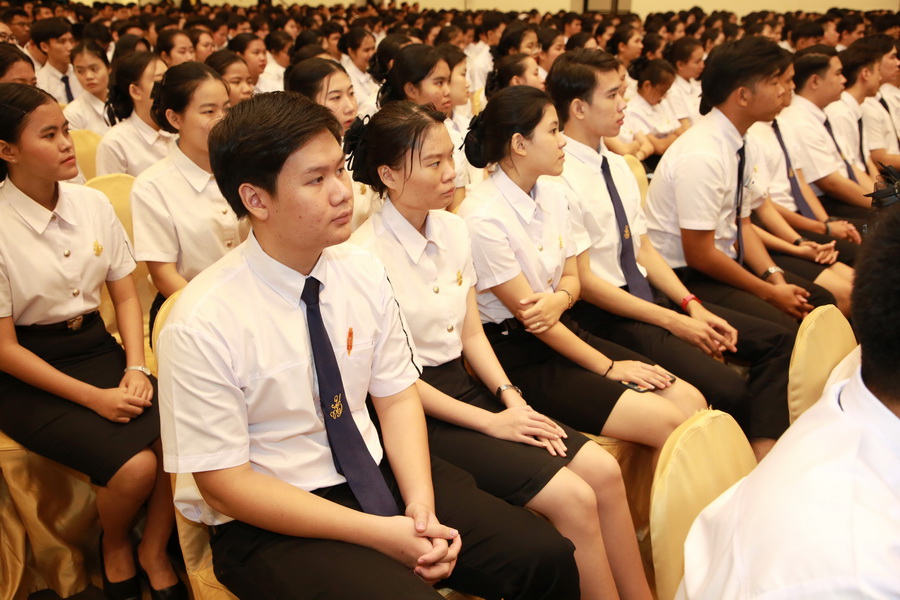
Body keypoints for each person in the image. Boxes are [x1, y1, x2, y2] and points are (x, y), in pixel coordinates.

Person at [157, 91, 580, 600]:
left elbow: (396, 397)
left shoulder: (360, 270)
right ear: (256, 199)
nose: (343, 192)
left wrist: (420, 505)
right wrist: (381, 533)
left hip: (376, 469)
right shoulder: (199, 320)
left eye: (339, 170)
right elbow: (225, 484)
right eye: (316, 180)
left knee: (544, 556)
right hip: (274, 515)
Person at [348, 101, 654, 599]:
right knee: (573, 497)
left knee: (602, 470)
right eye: (433, 163)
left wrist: (511, 398)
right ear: (388, 175)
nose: (451, 173)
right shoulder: (363, 258)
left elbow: (471, 334)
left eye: (450, 158)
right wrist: (493, 422)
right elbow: (392, 386)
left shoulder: (452, 228)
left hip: (469, 387)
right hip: (414, 412)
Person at [547, 48, 795, 460]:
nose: (624, 104)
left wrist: (691, 305)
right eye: (612, 95)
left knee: (769, 341)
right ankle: (741, 472)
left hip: (646, 297)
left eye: (623, 92)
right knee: (727, 388)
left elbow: (642, 249)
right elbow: (586, 283)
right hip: (604, 314)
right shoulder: (559, 176)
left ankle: (761, 458)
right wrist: (675, 321)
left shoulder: (618, 165)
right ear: (579, 107)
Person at [0, 83, 185, 600]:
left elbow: (125, 296)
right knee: (136, 467)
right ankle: (116, 545)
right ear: (7, 150)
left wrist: (136, 368)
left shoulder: (92, 203)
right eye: (49, 135)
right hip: (26, 371)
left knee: (179, 438)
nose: (67, 143)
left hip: (97, 350)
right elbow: (5, 350)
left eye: (65, 130)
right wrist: (95, 398)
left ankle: (154, 548)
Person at [460, 85, 707, 461]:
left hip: (564, 327)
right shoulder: (482, 217)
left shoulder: (554, 193)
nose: (563, 141)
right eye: (553, 131)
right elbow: (534, 321)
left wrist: (560, 299)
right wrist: (608, 367)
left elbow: (573, 278)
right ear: (520, 144)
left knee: (692, 400)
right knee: (667, 420)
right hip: (520, 354)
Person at [677, 204, 900, 600]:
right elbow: (710, 246)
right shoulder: (856, 573)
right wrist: (772, 282)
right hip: (690, 282)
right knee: (777, 339)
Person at [645, 37, 833, 335]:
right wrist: (769, 293)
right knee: (782, 333)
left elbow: (742, 224)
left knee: (820, 301)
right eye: (775, 82)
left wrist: (775, 279)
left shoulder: (744, 140)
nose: (784, 90)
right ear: (743, 96)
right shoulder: (703, 153)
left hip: (724, 259)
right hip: (684, 275)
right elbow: (699, 254)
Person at [131, 62, 248, 336]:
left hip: (251, 301)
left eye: (226, 109)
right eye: (209, 111)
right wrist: (217, 317)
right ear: (175, 119)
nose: (222, 119)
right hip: (189, 313)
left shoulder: (245, 167)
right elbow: (164, 275)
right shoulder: (152, 186)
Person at [779, 46, 874, 221]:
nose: (844, 80)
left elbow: (850, 166)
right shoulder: (799, 121)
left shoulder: (822, 114)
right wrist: (883, 206)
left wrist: (886, 200)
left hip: (844, 195)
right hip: (827, 202)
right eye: (838, 74)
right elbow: (831, 183)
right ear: (815, 81)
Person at [285, 57, 375, 230]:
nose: (350, 107)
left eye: (351, 93)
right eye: (335, 98)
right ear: (306, 104)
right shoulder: (298, 162)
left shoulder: (361, 142)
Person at [380, 44, 469, 211]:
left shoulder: (452, 135)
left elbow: (457, 208)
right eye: (439, 83)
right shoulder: (386, 136)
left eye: (448, 81)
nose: (447, 91)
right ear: (411, 89)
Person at [96, 51, 170, 176]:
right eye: (159, 81)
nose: (169, 88)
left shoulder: (181, 128)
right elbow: (112, 188)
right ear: (135, 91)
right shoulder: (115, 143)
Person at [64, 42, 111, 135]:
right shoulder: (72, 114)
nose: (88, 76)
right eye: (80, 71)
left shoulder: (124, 102)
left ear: (108, 68)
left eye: (94, 69)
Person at [32, 17, 81, 104]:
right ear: (44, 47)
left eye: (71, 41)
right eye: (62, 41)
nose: (70, 47)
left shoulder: (81, 73)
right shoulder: (39, 82)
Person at [663, 36, 704, 128]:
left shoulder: (696, 83)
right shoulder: (673, 91)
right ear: (680, 65)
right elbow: (685, 128)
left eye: (702, 60)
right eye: (697, 62)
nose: (702, 65)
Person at [338, 26, 376, 104]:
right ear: (351, 52)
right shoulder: (346, 77)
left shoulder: (373, 70)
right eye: (366, 50)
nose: (371, 54)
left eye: (373, 48)